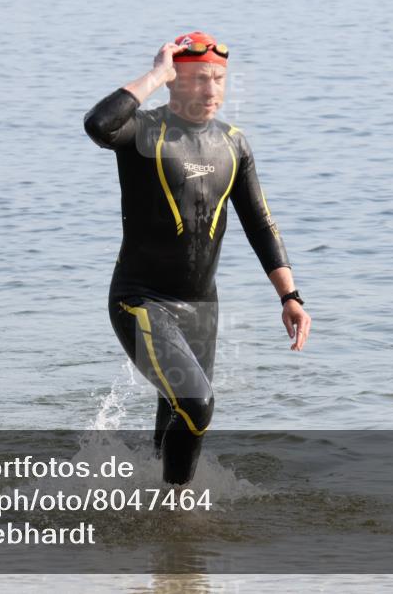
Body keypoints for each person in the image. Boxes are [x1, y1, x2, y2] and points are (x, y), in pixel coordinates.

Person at [83, 31, 312, 485]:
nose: (211, 91)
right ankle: (176, 518)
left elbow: (260, 223)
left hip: (202, 309)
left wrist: (290, 296)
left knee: (176, 418)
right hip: (140, 301)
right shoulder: (144, 132)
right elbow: (98, 125)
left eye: (219, 79)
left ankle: (161, 526)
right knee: (196, 403)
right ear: (174, 82)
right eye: (198, 79)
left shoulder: (233, 143)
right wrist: (155, 73)